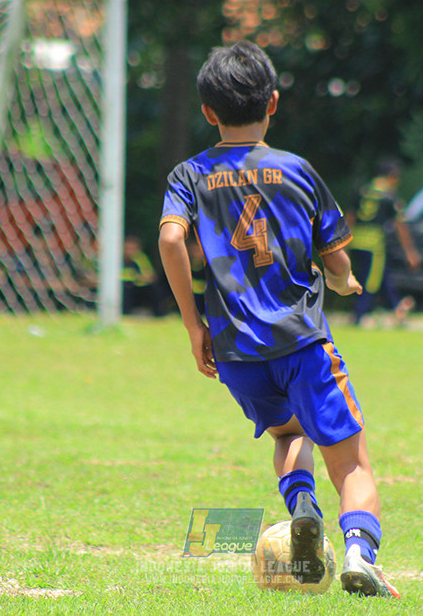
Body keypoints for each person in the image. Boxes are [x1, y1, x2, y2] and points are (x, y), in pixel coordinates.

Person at [158, 40, 401, 598]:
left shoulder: (189, 174)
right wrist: (343, 280)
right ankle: (360, 553)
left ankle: (303, 513)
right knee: (353, 464)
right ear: (272, 102)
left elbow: (172, 236)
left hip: (238, 352)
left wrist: (194, 325)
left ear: (207, 112)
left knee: (287, 433)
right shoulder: (295, 170)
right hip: (300, 341)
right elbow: (334, 259)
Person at [347, 157, 421, 326]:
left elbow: (350, 217)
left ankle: (397, 308)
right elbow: (400, 225)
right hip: (374, 244)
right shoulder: (389, 195)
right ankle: (358, 315)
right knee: (371, 281)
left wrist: (342, 244)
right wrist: (410, 251)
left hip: (356, 241)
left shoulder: (362, 190)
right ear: (392, 176)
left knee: (378, 276)